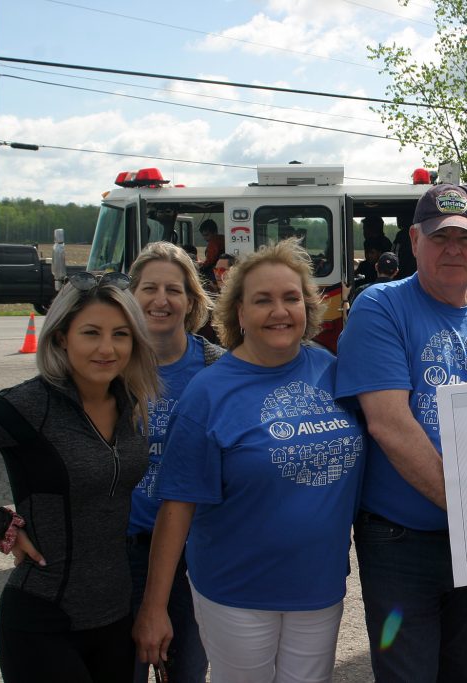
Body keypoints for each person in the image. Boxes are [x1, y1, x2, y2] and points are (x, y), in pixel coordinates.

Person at [132, 239, 365, 683]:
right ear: (239, 313)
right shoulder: (208, 392)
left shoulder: (330, 370)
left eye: (291, 298)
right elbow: (177, 505)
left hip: (319, 586)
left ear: (308, 307)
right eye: (263, 300)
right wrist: (155, 607)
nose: (280, 311)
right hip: (237, 591)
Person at [336, 183, 467, 682]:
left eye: (464, 239)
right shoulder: (381, 307)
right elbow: (389, 423)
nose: (453, 249)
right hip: (402, 543)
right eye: (439, 236)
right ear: (414, 241)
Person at [0, 272, 159, 682]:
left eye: (121, 334)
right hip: (42, 622)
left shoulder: (130, 402)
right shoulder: (27, 406)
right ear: (61, 337)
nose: (107, 348)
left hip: (116, 619)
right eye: (91, 333)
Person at [126, 242, 224, 683]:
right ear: (130, 297)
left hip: (195, 552)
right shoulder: (107, 364)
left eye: (173, 289)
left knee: (186, 670)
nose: (160, 300)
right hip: (119, 550)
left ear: (191, 301)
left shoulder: (215, 369)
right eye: (149, 288)